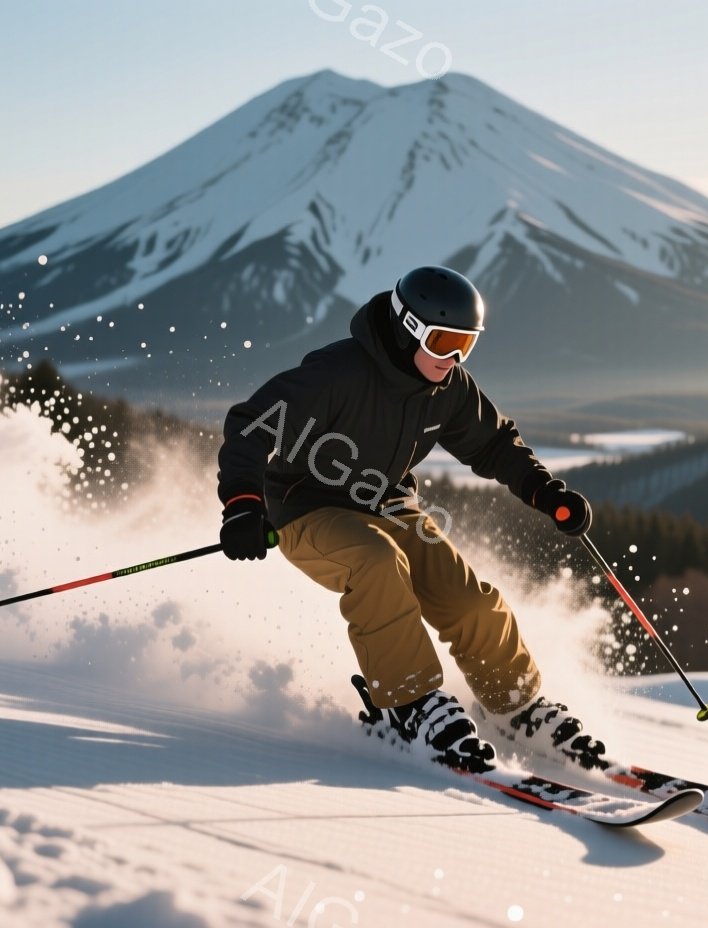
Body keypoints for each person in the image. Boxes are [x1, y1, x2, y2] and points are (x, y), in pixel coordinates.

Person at [216, 266, 606, 772]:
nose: (454, 359)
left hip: (389, 503)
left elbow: (493, 443)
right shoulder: (338, 373)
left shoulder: (449, 386)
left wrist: (545, 491)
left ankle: (516, 707)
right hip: (308, 507)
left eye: (466, 345)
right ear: (406, 328)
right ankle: (408, 705)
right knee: (377, 562)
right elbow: (251, 423)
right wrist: (243, 505)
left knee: (468, 599)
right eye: (444, 342)